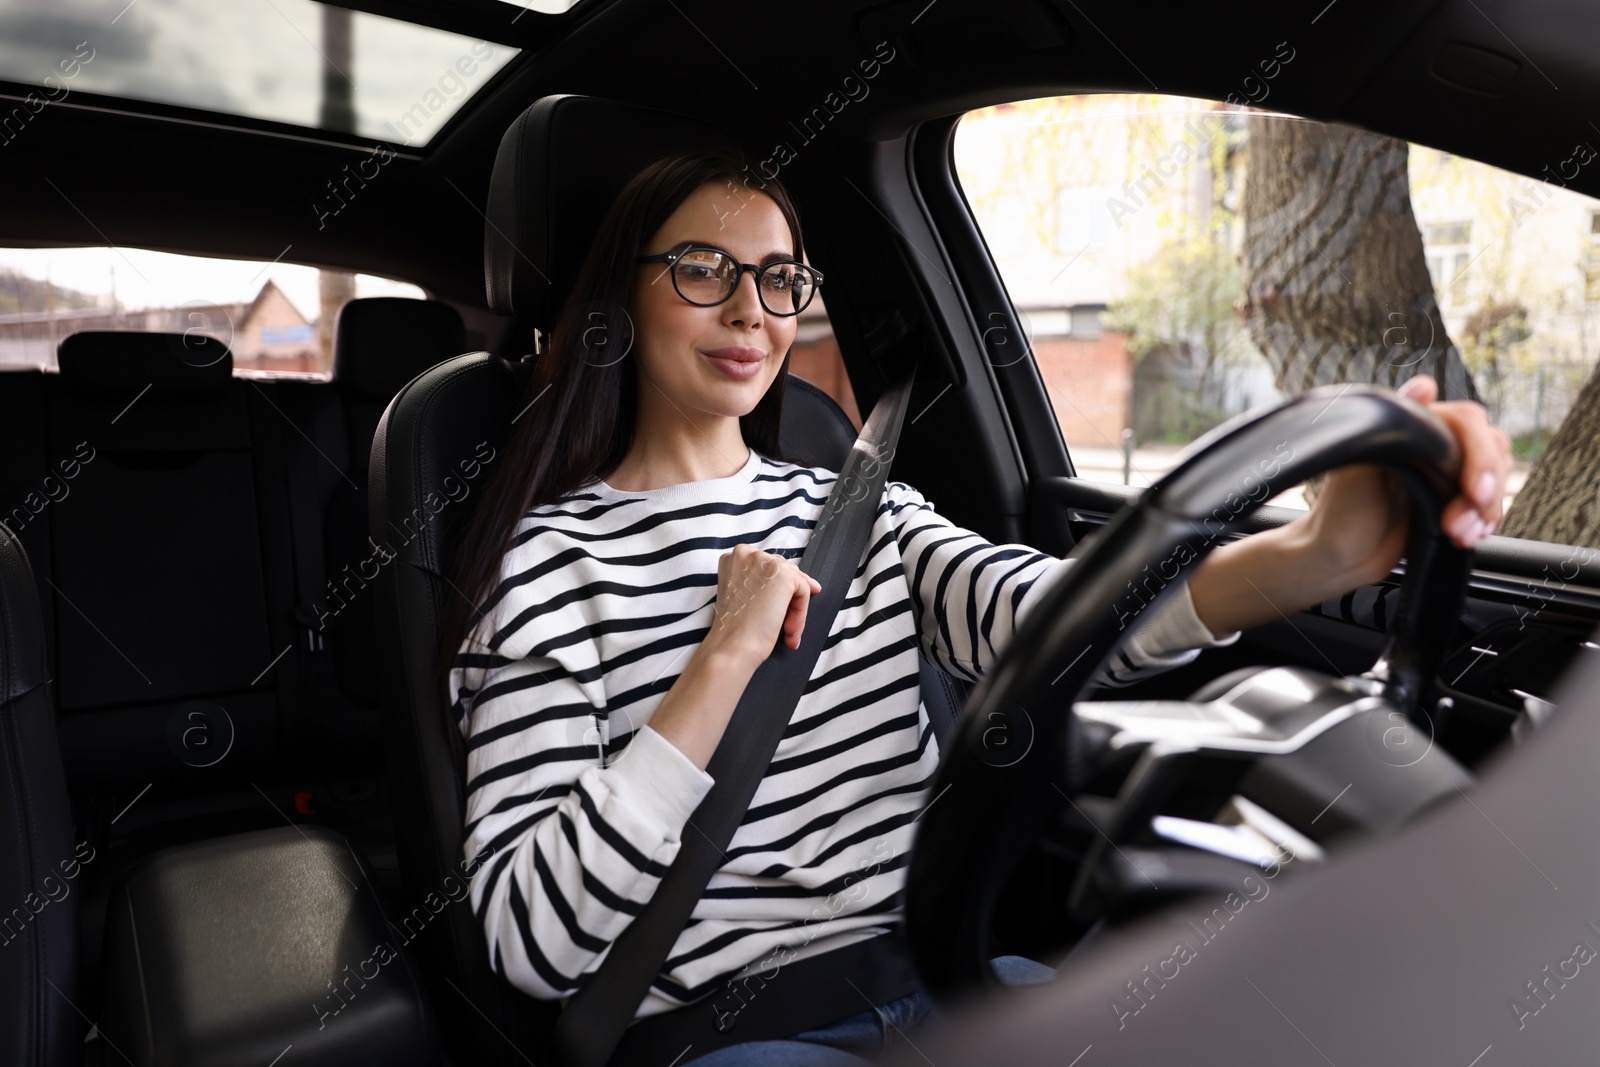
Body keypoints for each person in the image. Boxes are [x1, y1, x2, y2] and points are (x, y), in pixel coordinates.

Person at [440, 146, 1512, 1066]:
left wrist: (1309, 553)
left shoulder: (858, 509)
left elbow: (1047, 616)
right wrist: (719, 661)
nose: (748, 311)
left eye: (778, 278)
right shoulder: (545, 569)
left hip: (952, 975)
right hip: (741, 1031)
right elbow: (537, 937)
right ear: (622, 295)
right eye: (701, 268)